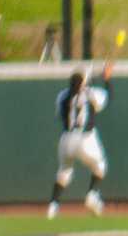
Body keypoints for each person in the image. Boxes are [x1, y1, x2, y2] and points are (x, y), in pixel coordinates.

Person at [48, 57, 117, 218]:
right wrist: (107, 78)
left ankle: (53, 206)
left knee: (64, 172)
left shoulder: (62, 95)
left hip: (66, 139)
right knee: (100, 166)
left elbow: (60, 114)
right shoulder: (91, 93)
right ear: (85, 81)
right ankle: (92, 194)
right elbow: (107, 97)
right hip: (85, 138)